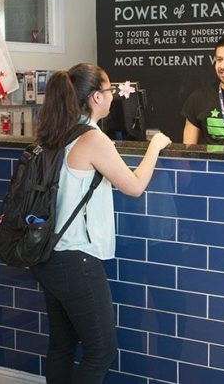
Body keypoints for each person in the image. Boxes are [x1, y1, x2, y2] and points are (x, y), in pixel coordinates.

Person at [31, 63, 171, 384]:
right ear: (96, 97)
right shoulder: (93, 139)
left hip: (49, 254)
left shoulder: (56, 131)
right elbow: (134, 186)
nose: (111, 96)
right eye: (108, 91)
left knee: (62, 347)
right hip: (77, 260)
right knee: (101, 351)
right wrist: (155, 145)